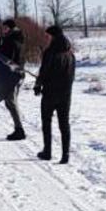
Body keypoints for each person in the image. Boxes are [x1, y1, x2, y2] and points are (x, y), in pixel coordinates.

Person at [35, 25, 76, 163]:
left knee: (46, 122)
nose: (46, 38)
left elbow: (44, 71)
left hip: (50, 94)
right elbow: (72, 75)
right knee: (64, 124)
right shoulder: (70, 53)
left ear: (53, 36)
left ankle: (47, 151)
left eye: (48, 36)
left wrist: (38, 85)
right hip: (66, 95)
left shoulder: (50, 52)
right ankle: (65, 155)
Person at [0, 19, 26, 140]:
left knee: (10, 102)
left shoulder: (12, 41)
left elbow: (8, 59)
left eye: (5, 28)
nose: (3, 30)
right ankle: (19, 128)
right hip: (17, 74)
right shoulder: (15, 38)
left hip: (13, 74)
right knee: (10, 102)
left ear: (10, 28)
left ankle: (20, 130)